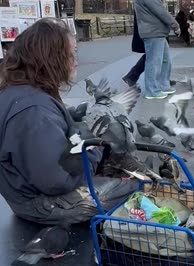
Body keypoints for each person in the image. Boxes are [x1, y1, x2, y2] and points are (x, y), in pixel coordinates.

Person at [0, 18, 138, 225]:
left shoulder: (22, 91)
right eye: (71, 53)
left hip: (28, 190)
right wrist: (96, 150)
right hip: (42, 204)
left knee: (115, 148)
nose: (75, 60)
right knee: (135, 185)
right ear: (52, 58)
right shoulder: (34, 111)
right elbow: (56, 182)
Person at [135, 0, 180, 99]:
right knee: (154, 62)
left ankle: (163, 86)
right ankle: (152, 91)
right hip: (153, 32)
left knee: (165, 61)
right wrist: (175, 25)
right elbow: (160, 11)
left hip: (158, 32)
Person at [122, 12, 146, 87]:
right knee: (153, 54)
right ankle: (132, 76)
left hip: (149, 29)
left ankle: (132, 76)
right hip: (150, 30)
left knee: (156, 54)